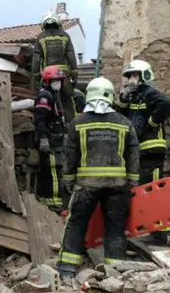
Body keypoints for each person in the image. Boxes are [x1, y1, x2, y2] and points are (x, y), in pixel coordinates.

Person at [57, 77, 140, 279]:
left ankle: (67, 269)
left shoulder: (78, 122)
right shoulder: (124, 122)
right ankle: (116, 271)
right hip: (117, 186)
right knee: (115, 228)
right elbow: (133, 152)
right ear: (110, 96)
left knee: (77, 224)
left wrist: (68, 180)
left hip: (86, 186)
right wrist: (132, 180)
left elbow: (70, 155)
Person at [116, 59, 170, 246]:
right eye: (130, 75)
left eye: (135, 75)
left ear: (144, 75)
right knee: (145, 191)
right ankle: (151, 230)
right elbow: (120, 116)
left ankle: (162, 234)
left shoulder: (149, 92)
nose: (132, 79)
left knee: (154, 191)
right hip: (140, 151)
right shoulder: (133, 96)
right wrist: (123, 99)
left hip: (152, 149)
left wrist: (152, 123)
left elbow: (166, 104)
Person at [32, 12, 80, 123]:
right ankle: (70, 125)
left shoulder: (40, 37)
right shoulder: (65, 36)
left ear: (43, 24)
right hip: (64, 75)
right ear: (58, 23)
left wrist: (36, 76)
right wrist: (74, 72)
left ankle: (51, 124)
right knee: (67, 101)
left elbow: (36, 58)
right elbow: (70, 54)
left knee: (48, 99)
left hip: (48, 75)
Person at [33, 66, 68, 212]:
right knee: (52, 171)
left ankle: (53, 200)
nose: (58, 82)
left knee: (55, 170)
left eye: (59, 80)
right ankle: (53, 202)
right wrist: (43, 138)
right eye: (55, 80)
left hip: (56, 140)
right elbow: (40, 119)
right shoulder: (45, 96)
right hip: (49, 140)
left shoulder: (54, 95)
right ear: (47, 81)